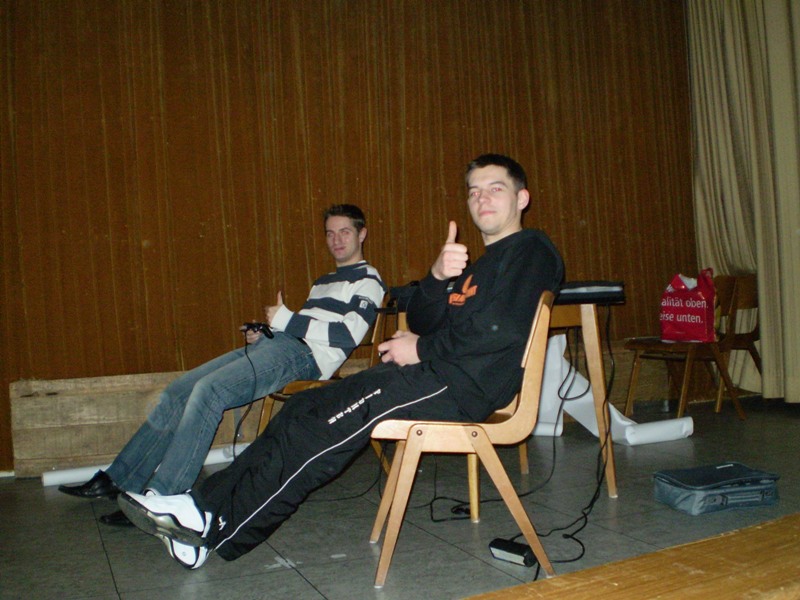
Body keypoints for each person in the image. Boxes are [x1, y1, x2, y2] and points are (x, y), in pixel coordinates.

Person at [117, 154, 564, 569]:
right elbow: (425, 320)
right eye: (473, 191)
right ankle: (200, 507)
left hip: (463, 385)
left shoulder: (531, 250)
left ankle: (215, 528)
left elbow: (500, 331)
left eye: (495, 189)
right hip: (437, 373)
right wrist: (436, 276)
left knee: (322, 425)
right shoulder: (479, 266)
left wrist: (421, 350)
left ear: (522, 198)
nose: (482, 198)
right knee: (303, 408)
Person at [59, 204, 386, 528]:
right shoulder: (324, 281)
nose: (336, 240)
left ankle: (163, 498)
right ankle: (118, 480)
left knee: (209, 391)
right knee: (178, 390)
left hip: (305, 358)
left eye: (344, 232)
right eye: (330, 233)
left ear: (362, 234)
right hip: (281, 346)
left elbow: (347, 335)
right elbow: (307, 326)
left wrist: (287, 320)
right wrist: (268, 331)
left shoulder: (369, 280)